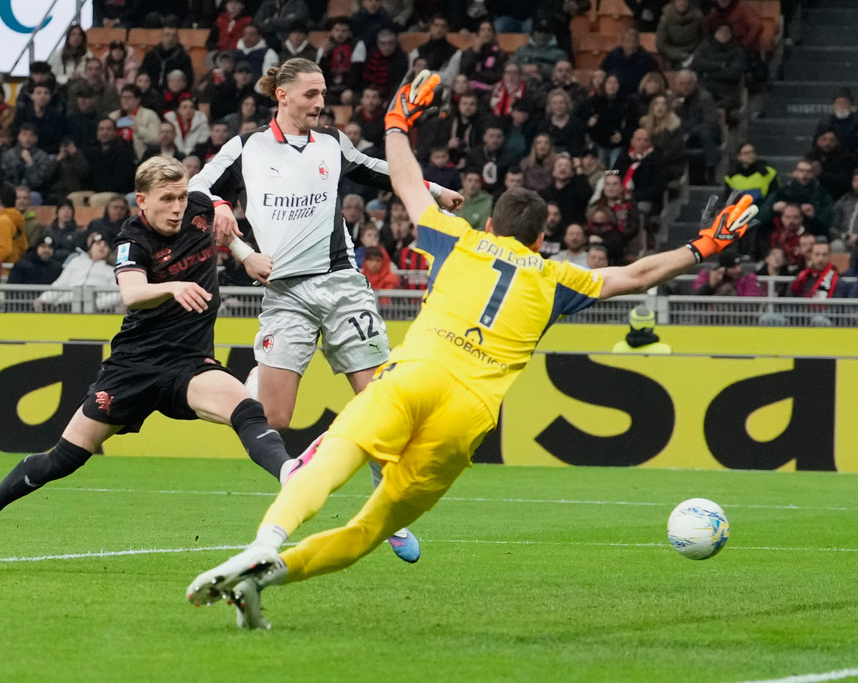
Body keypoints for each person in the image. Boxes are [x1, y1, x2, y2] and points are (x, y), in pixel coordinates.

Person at [185, 72, 759, 627]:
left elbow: (407, 180)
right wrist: (705, 244)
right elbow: (636, 275)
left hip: (414, 376)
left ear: (493, 224)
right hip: (468, 416)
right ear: (540, 238)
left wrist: (398, 121)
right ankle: (269, 576)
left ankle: (266, 542)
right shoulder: (558, 276)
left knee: (338, 450)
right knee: (371, 527)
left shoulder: (460, 241)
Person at [0, 157, 304, 568]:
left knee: (249, 414)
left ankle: (293, 476)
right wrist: (173, 287)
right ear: (142, 201)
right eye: (167, 199)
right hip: (133, 366)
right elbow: (131, 293)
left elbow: (218, 214)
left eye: (182, 197)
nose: (177, 207)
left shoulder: (201, 206)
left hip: (188, 362)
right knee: (63, 459)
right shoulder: (132, 237)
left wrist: (244, 254)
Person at [189, 59, 462, 562]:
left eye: (323, 93)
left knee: (379, 401)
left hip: (342, 286)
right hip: (286, 293)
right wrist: (228, 218)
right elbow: (195, 191)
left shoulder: (333, 144)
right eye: (311, 94)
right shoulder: (247, 147)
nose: (320, 103)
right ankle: (248, 385)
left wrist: (434, 191)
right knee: (273, 416)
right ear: (282, 95)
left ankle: (386, 511)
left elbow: (380, 173)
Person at [756, 159, 834, 239]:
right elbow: (760, 219)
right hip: (781, 238)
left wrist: (813, 217)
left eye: (808, 171)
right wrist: (772, 209)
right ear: (794, 173)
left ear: (813, 174)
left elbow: (828, 224)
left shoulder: (822, 195)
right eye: (801, 171)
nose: (804, 174)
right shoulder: (781, 193)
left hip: (812, 237)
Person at [85, 118, 138, 201]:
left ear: (115, 132)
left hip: (118, 192)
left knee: (96, 200)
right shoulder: (92, 149)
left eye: (109, 129)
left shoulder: (124, 149)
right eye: (101, 129)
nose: (105, 132)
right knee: (74, 197)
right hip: (95, 190)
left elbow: (124, 178)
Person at [1, 125, 54, 202]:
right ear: (18, 136)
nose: (27, 138)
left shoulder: (42, 157)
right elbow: (5, 179)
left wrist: (30, 163)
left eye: (31, 135)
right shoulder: (8, 155)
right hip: (13, 190)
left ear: (36, 139)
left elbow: (37, 183)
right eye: (24, 134)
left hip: (33, 192)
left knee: (33, 196)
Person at [110, 85, 162, 161]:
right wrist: (113, 126)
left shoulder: (150, 115)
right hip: (115, 156)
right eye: (123, 97)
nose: (125, 100)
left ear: (138, 99)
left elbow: (156, 139)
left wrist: (138, 129)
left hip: (138, 157)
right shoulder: (113, 116)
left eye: (129, 98)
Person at [601, 29, 660, 95]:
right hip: (615, 94)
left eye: (634, 42)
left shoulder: (647, 59)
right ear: (622, 42)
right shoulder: (612, 57)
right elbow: (603, 73)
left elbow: (656, 78)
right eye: (628, 42)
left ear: (638, 42)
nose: (631, 45)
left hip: (638, 95)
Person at [12, 83, 66, 155]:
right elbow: (15, 134)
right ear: (32, 96)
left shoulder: (57, 116)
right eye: (38, 93)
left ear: (50, 97)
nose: (42, 96)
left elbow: (57, 141)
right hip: (24, 152)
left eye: (46, 93)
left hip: (48, 154)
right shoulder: (22, 113)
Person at [539, 156, 592, 229]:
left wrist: (578, 168)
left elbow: (587, 193)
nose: (563, 168)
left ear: (572, 173)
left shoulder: (578, 191)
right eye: (559, 165)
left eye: (567, 166)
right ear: (553, 172)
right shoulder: (544, 194)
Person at [140, 19, 194, 90]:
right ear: (161, 36)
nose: (170, 38)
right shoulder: (151, 55)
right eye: (167, 35)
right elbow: (142, 72)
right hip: (151, 91)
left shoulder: (183, 57)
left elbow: (188, 80)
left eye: (174, 36)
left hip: (173, 94)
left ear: (178, 38)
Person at [656, 0, 707, 70]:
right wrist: (679, 55)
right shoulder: (666, 19)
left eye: (685, 1)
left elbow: (706, 37)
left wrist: (697, 53)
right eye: (679, 0)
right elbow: (661, 45)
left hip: (695, 52)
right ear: (674, 2)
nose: (682, 3)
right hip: (674, 56)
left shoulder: (698, 16)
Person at [0, 185, 28, 264]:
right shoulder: (16, 219)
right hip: (13, 267)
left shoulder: (3, 221)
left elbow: (5, 250)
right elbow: (24, 246)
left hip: (2, 271)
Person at [691, 249, 761, 296]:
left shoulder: (748, 277)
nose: (738, 270)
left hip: (739, 315)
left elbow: (752, 299)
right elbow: (695, 298)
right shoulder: (707, 274)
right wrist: (710, 285)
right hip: (712, 315)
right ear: (724, 268)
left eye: (739, 265)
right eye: (733, 267)